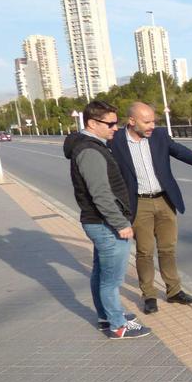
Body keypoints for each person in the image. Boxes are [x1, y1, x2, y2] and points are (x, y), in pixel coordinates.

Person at [110, 102, 192, 314]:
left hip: (165, 200)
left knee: (168, 248)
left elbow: (182, 152)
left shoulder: (159, 136)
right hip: (139, 203)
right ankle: (149, 294)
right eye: (146, 122)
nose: (152, 125)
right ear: (131, 121)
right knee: (145, 251)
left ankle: (174, 291)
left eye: (153, 121)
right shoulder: (116, 141)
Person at [63, 101, 151, 339]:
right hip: (105, 224)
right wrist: (121, 224)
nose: (115, 128)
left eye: (116, 123)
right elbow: (100, 193)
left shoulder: (90, 146)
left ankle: (106, 316)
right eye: (110, 124)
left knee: (101, 274)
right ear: (92, 123)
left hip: (99, 222)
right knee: (111, 280)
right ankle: (117, 324)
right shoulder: (90, 151)